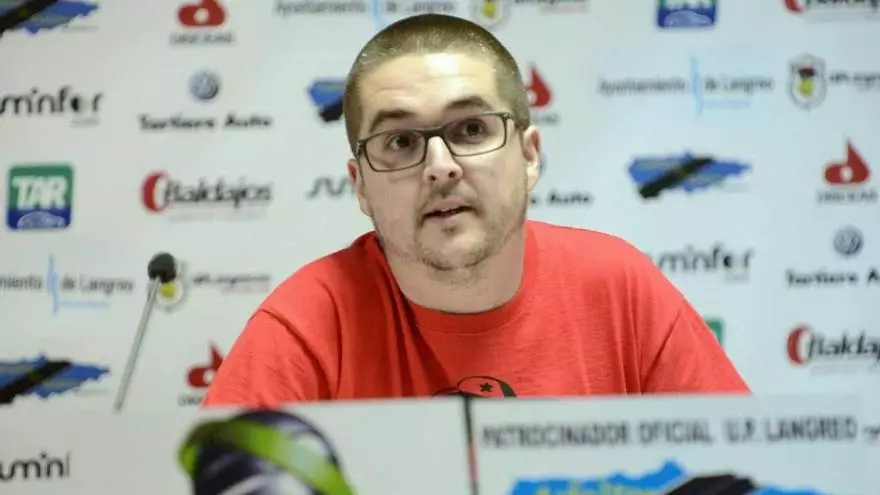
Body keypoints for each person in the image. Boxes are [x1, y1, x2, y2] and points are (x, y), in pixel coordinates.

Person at [202, 13, 749, 407]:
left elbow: (740, 474)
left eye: (470, 130)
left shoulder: (619, 288)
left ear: (529, 157)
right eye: (400, 142)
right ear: (360, 185)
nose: (440, 167)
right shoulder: (304, 324)